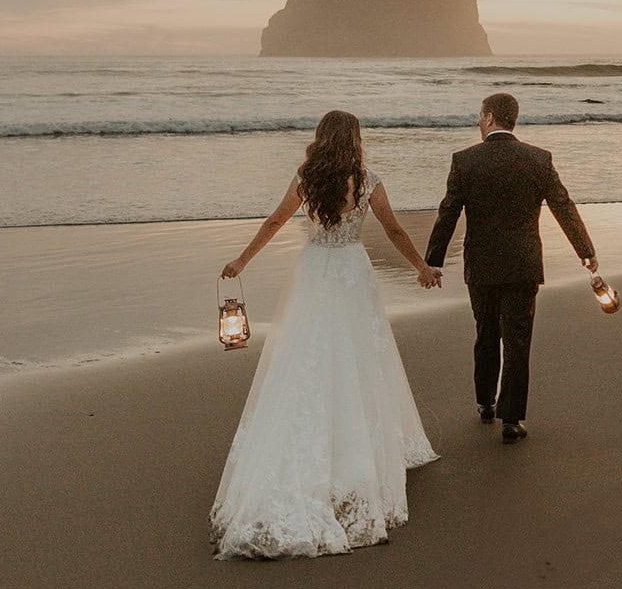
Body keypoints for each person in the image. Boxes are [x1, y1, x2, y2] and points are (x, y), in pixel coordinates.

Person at [209, 109, 441, 559]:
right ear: (355, 139)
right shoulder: (368, 180)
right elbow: (393, 229)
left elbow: (275, 222)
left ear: (321, 138)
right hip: (353, 272)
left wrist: (241, 261)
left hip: (315, 271)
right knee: (360, 356)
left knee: (307, 355)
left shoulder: (306, 178)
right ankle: (362, 448)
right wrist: (421, 267)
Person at [425, 91, 597, 443]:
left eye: (479, 115)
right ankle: (512, 420)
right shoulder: (538, 159)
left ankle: (485, 402)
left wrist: (433, 261)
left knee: (486, 333)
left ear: (489, 118)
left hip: (482, 264)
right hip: (522, 263)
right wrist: (585, 250)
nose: (478, 121)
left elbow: (449, 212)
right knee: (517, 340)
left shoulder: (465, 161)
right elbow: (562, 205)